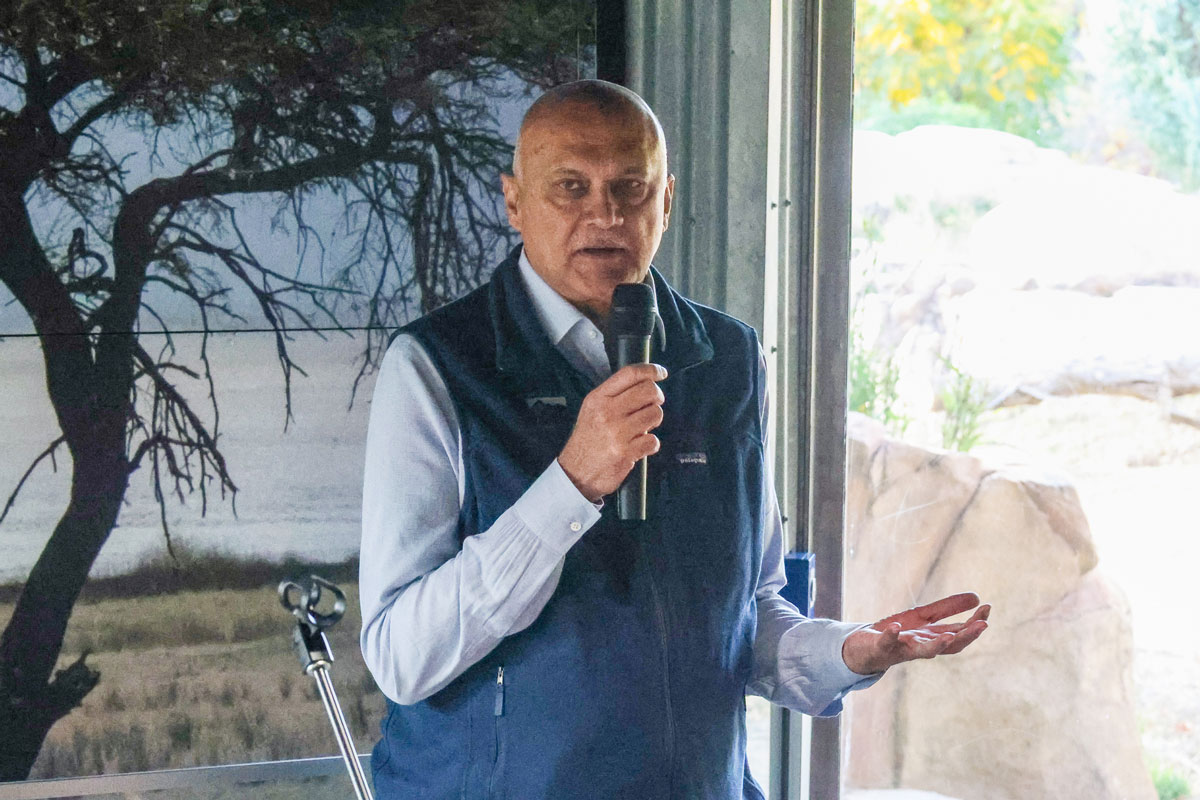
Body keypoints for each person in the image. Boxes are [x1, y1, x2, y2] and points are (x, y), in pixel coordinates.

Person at [359, 79, 990, 800]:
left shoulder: (729, 359)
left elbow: (748, 613)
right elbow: (401, 657)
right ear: (514, 202)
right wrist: (571, 484)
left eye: (630, 187)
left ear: (665, 201)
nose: (605, 213)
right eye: (571, 186)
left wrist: (848, 652)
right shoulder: (435, 367)